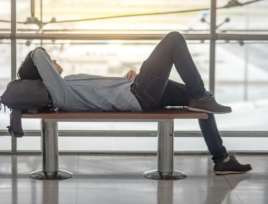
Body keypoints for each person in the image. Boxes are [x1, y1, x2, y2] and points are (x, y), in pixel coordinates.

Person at [17, 31, 252, 175]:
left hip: (137, 88)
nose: (53, 60)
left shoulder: (68, 81)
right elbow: (38, 55)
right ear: (42, 72)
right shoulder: (60, 94)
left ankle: (222, 160)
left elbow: (104, 92)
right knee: (174, 39)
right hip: (140, 96)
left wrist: (125, 78)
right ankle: (201, 96)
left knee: (199, 97)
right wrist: (35, 54)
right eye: (50, 61)